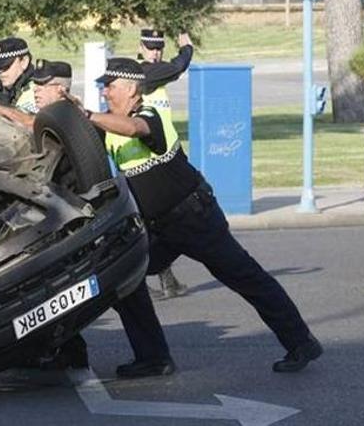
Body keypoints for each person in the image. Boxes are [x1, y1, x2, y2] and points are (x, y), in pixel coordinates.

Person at [85, 55, 322, 379]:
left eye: (110, 87)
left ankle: (301, 342)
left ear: (130, 89)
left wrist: (88, 115)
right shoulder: (109, 127)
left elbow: (135, 128)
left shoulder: (151, 113)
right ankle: (154, 358)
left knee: (245, 276)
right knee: (126, 280)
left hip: (194, 217)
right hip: (160, 227)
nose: (105, 94)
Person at [135, 28, 190, 300]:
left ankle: (167, 280)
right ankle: (143, 278)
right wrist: (187, 48)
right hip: (150, 159)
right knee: (159, 219)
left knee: (160, 219)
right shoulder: (146, 73)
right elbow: (179, 66)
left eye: (158, 48)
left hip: (165, 154)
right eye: (150, 47)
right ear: (140, 47)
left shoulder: (155, 75)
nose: (155, 52)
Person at [0, 59, 79, 128]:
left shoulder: (64, 112)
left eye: (42, 84)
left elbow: (29, 122)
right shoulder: (57, 111)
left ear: (61, 89)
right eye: (36, 84)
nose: (36, 89)